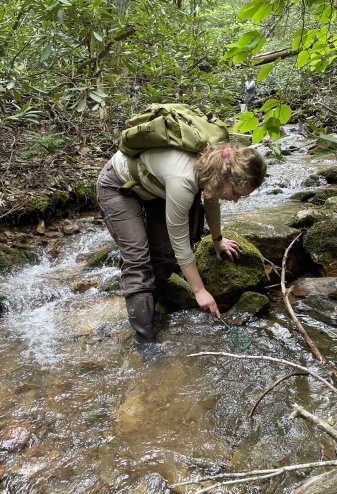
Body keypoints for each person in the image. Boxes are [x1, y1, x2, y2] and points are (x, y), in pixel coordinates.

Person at [96, 141, 267, 345]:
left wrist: (217, 240)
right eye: (237, 193)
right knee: (138, 260)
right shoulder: (184, 180)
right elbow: (180, 242)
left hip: (155, 188)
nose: (236, 200)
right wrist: (199, 291)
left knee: (165, 255)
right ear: (225, 179)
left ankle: (150, 309)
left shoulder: (215, 173)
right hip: (118, 185)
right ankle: (145, 342)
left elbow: (211, 201)